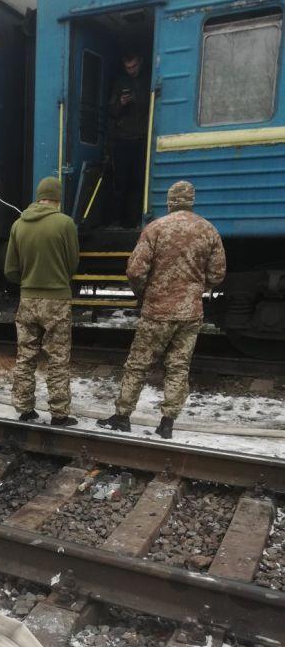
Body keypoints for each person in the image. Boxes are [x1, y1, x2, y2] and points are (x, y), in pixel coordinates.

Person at [98, 181, 226, 439]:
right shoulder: (208, 230)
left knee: (138, 365)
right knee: (179, 367)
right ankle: (167, 423)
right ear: (191, 200)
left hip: (157, 310)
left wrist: (144, 292)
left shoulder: (155, 228)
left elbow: (135, 271)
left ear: (170, 201)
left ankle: (122, 416)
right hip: (190, 312)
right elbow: (217, 274)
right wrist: (194, 288)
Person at [4, 176, 79, 427]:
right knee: (58, 358)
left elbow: (10, 270)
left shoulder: (18, 225)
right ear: (57, 198)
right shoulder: (65, 223)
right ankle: (59, 413)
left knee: (25, 356)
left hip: (27, 299)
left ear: (39, 196)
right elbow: (72, 263)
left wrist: (29, 279)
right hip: (56, 299)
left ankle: (25, 409)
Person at [108, 51, 150, 228]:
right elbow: (111, 110)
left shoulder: (148, 80)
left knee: (138, 181)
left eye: (133, 66)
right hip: (122, 139)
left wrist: (137, 99)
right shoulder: (120, 82)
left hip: (141, 138)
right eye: (127, 67)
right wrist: (121, 103)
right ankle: (120, 221)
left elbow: (152, 103)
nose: (131, 70)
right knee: (121, 182)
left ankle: (137, 220)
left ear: (140, 61)